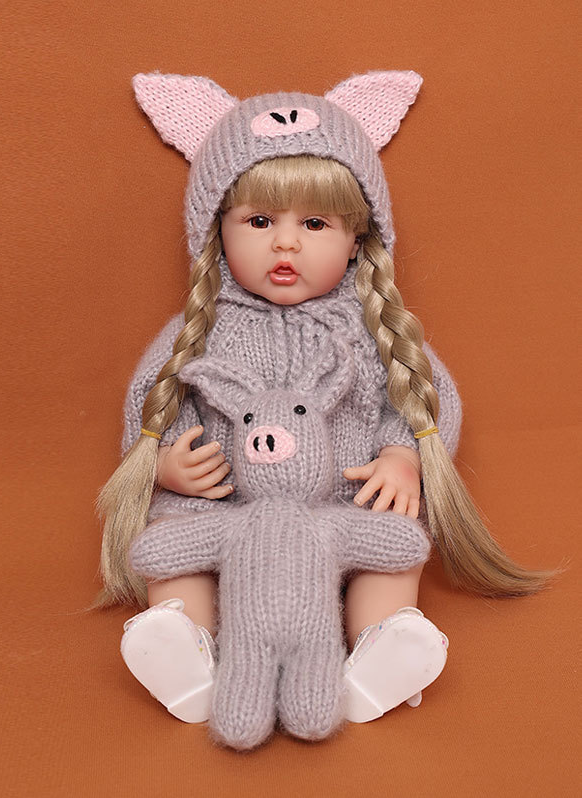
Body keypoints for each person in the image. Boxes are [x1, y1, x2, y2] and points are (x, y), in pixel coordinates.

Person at [98, 70, 552, 727]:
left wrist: (402, 456)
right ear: (216, 229)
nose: (285, 242)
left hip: (344, 509)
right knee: (170, 539)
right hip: (223, 513)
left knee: (396, 545)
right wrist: (168, 463)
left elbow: (423, 396)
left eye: (314, 222)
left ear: (357, 238)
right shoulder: (202, 330)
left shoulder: (370, 331)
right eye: (259, 220)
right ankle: (184, 645)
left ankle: (382, 646)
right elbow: (154, 399)